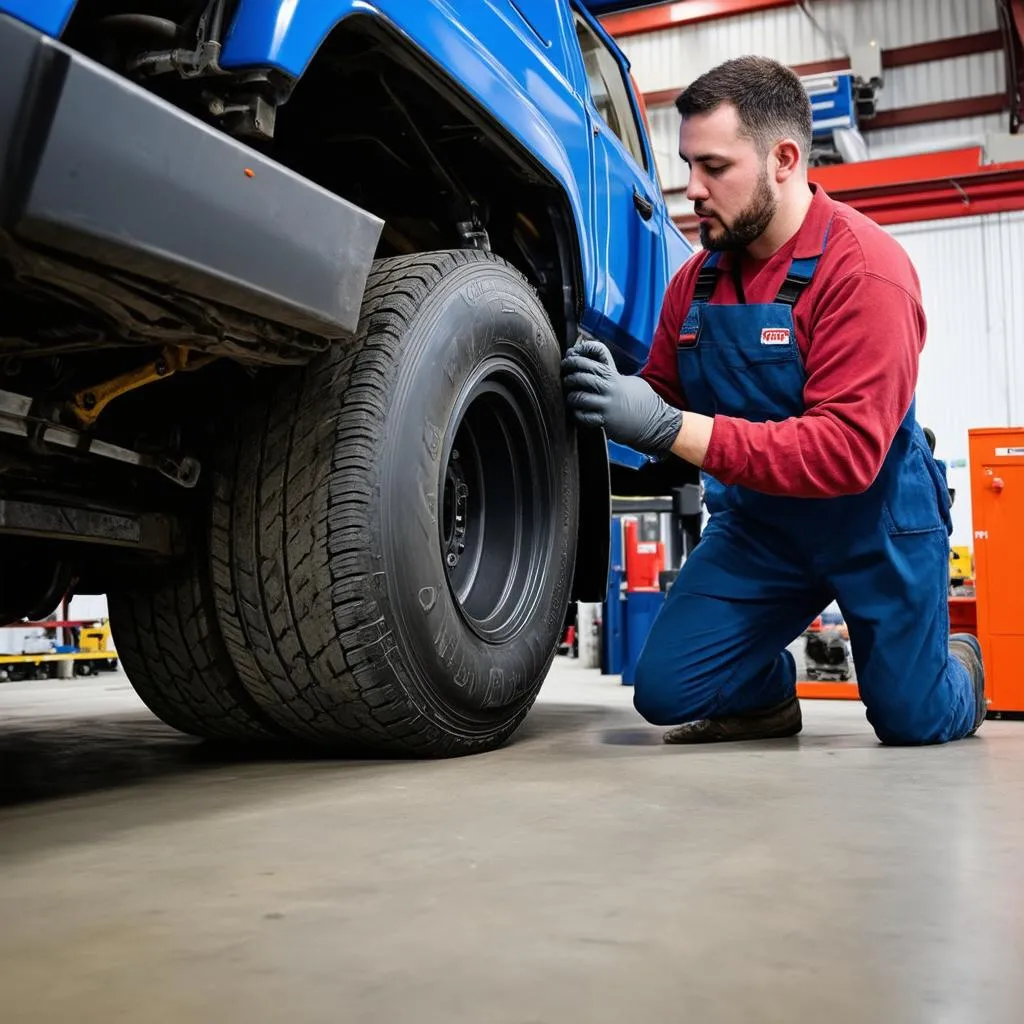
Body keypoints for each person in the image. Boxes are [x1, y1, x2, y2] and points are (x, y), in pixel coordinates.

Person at [561, 55, 985, 746]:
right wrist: (615, 391)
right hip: (762, 529)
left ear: (784, 158)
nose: (691, 189)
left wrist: (665, 423)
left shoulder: (866, 271)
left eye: (714, 167)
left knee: (912, 719)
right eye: (688, 164)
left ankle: (955, 668)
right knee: (666, 689)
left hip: (874, 525)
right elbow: (662, 396)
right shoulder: (695, 284)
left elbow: (845, 454)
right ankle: (764, 699)